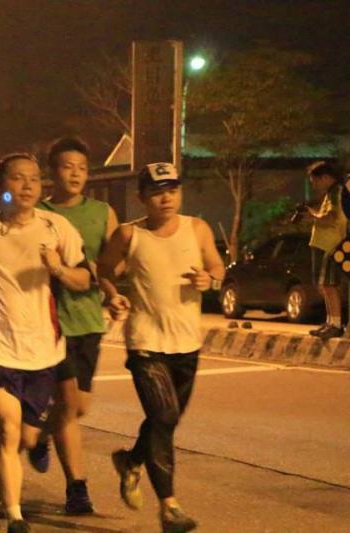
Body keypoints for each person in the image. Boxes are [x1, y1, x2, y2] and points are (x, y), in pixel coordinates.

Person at [0, 153, 90, 533]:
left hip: (44, 350)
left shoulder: (56, 227)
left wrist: (58, 268)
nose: (27, 186)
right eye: (17, 178)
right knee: (10, 431)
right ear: (0, 186)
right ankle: (15, 516)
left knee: (27, 438)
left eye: (34, 179)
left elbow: (83, 279)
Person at [98, 163, 225, 533]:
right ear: (142, 197)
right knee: (164, 416)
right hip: (146, 342)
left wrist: (209, 279)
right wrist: (112, 295)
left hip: (187, 343)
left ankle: (131, 461)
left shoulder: (197, 229)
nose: (166, 198)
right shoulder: (128, 234)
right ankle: (169, 508)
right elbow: (104, 270)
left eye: (172, 190)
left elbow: (217, 268)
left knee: (164, 421)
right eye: (157, 192)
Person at [31, 137, 119, 514]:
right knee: (68, 403)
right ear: (53, 172)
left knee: (78, 407)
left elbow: (113, 263)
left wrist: (113, 292)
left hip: (88, 321)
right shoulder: (38, 213)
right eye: (68, 167)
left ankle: (39, 435)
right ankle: (77, 487)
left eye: (82, 168)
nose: (76, 174)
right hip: (51, 322)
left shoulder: (102, 212)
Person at [304, 161, 348, 339]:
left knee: (329, 285)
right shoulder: (332, 193)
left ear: (325, 178)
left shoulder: (336, 192)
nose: (314, 185)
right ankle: (331, 322)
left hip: (330, 244)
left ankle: (336, 324)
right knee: (325, 285)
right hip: (325, 244)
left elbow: (331, 218)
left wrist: (312, 216)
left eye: (314, 181)